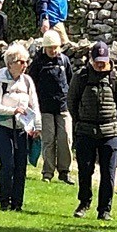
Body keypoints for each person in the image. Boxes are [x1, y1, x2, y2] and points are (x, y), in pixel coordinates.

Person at [68, 41, 117, 221]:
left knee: (108, 174)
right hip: (85, 131)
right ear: (91, 59)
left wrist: (112, 122)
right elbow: (72, 102)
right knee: (85, 171)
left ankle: (105, 209)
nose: (101, 65)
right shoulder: (81, 77)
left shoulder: (115, 78)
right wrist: (81, 122)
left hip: (110, 133)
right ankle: (84, 202)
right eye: (98, 61)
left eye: (104, 61)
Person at [0, 44, 42, 211]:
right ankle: (4, 201)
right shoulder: (0, 81)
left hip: (22, 129)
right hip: (2, 129)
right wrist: (13, 110)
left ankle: (17, 203)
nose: (25, 65)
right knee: (8, 164)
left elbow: (34, 104)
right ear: (10, 63)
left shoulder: (27, 81)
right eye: (21, 62)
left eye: (26, 62)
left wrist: (38, 126)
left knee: (20, 166)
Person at [27, 30, 74, 184]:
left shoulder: (64, 61)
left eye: (55, 47)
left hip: (63, 106)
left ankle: (64, 172)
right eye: (50, 48)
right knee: (48, 140)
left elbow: (70, 80)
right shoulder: (38, 63)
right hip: (44, 108)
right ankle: (47, 172)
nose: (53, 51)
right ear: (44, 48)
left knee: (65, 138)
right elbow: (31, 83)